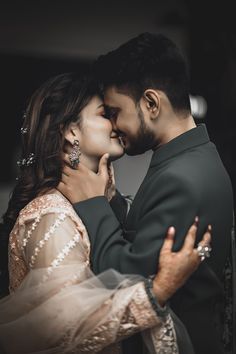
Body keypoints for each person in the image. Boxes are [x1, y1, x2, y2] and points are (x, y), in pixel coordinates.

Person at [0, 72, 212, 354]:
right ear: (71, 132)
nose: (116, 124)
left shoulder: (97, 202)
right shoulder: (51, 214)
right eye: (104, 114)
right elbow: (61, 326)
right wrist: (156, 292)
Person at [58, 33, 235, 354]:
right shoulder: (191, 158)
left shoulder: (183, 177)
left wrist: (91, 203)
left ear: (151, 103)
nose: (113, 125)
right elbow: (147, 239)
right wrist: (111, 200)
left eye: (114, 112)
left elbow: (125, 279)